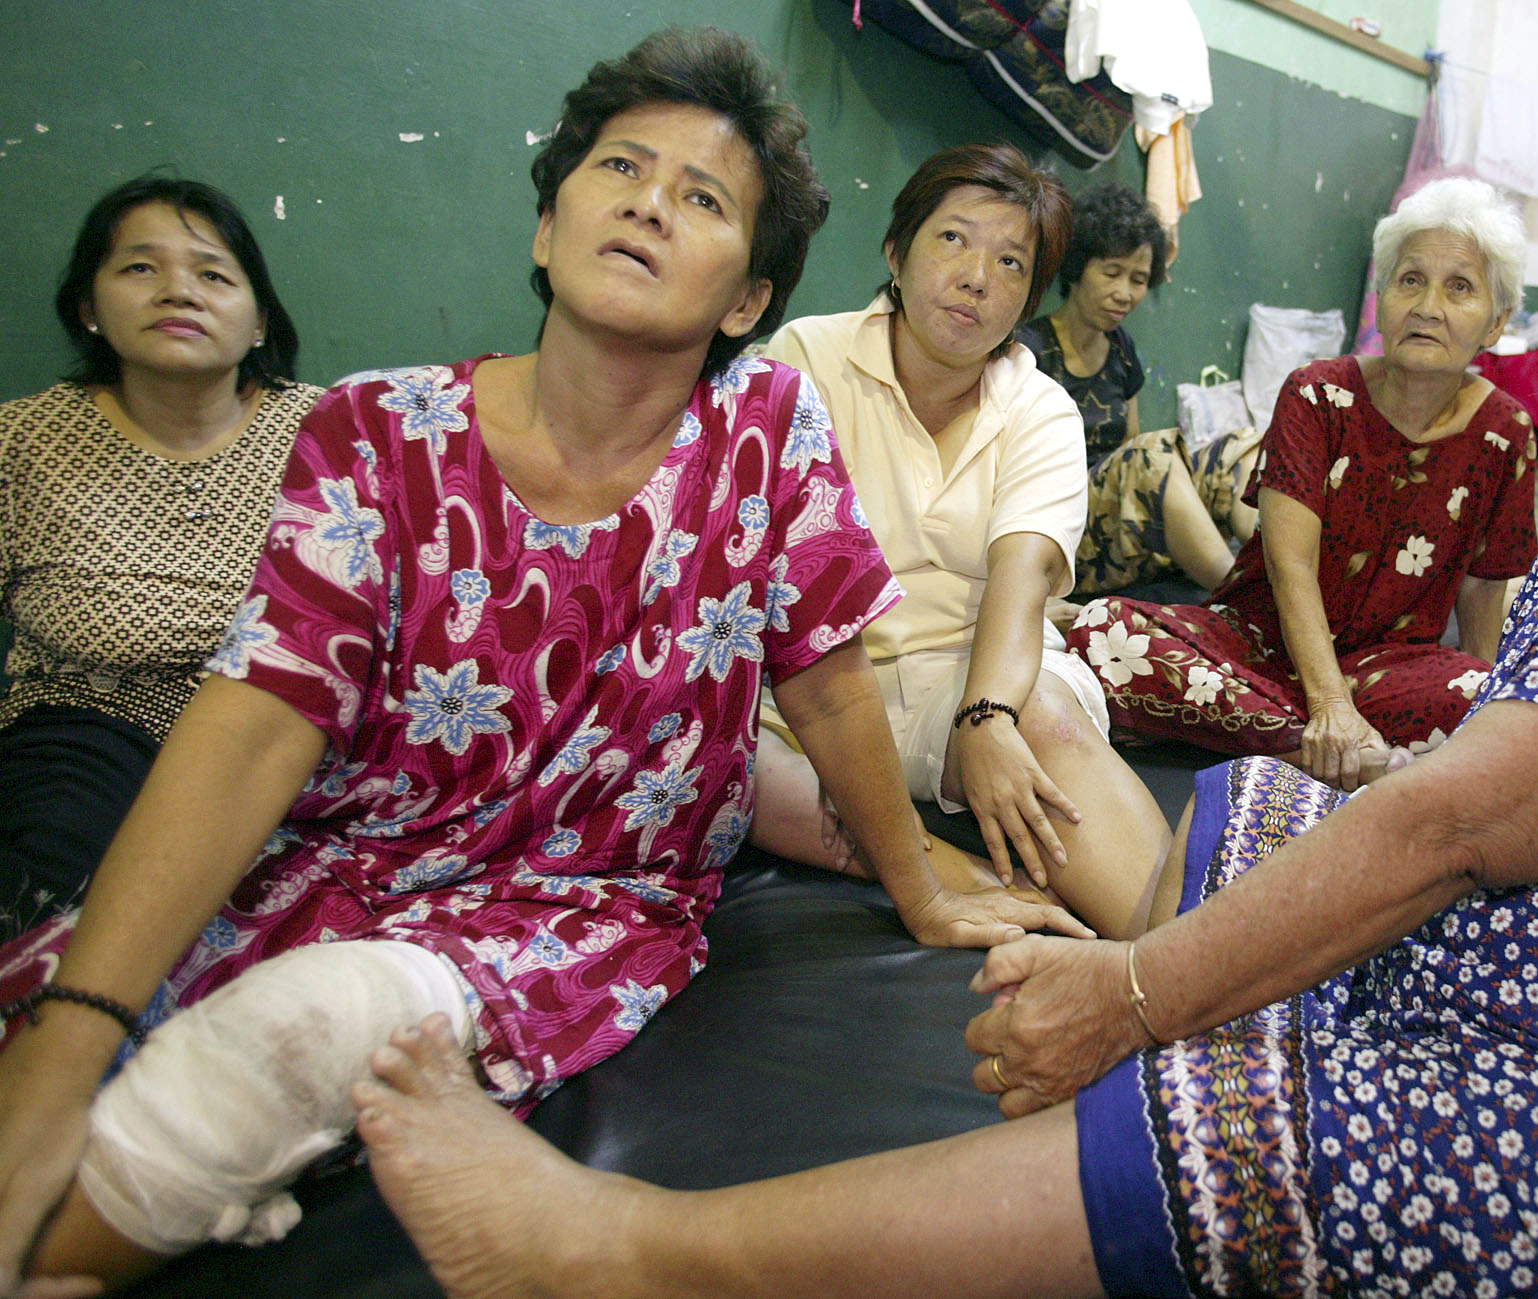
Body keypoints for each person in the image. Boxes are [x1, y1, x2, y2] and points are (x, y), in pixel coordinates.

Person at [344, 210, 1538, 1298]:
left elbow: (1462, 826)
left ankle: (617, 1250)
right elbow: (1450, 749)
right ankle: (1141, 932)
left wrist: (1133, 997)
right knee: (1264, 800)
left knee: (1242, 1108)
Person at [0, 28, 1083, 1297]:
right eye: (620, 167)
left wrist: (916, 886)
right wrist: (73, 1035)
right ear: (545, 228)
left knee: (306, 1036)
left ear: (745, 300)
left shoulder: (764, 434)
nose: (646, 201)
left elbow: (826, 679)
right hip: (339, 855)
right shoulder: (374, 433)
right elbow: (255, 718)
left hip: (583, 896)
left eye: (702, 197)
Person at [747, 145, 1175, 943]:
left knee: (1040, 716)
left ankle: (1194, 964)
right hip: (821, 691)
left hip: (970, 669)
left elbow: (1021, 581)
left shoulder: (1040, 409)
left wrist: (986, 717)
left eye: (1011, 261)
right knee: (725, 766)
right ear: (895, 252)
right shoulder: (805, 361)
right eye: (952, 240)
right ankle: (934, 861)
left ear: (1029, 296)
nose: (977, 276)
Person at [1067, 177, 1538, 790]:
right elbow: (1290, 566)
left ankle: (1259, 735)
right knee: (1107, 631)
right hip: (1254, 642)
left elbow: (1483, 589)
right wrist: (1328, 706)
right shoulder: (1316, 394)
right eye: (1410, 280)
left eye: (1460, 288)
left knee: (1491, 702)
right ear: (1383, 297)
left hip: (1391, 667)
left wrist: (1479, 714)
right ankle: (1330, 752)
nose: (1428, 306)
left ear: (1496, 322)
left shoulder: (1506, 431)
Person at [0, 177, 323, 940]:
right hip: (92, 731)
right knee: (49, 898)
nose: (179, 291)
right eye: (140, 268)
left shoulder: (330, 434)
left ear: (257, 324)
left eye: (213, 273)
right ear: (88, 306)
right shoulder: (22, 444)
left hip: (284, 746)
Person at [1014, 183, 1250, 593]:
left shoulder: (1122, 350)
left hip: (1123, 517)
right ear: (1078, 268)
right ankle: (1240, 597)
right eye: (1111, 273)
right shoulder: (1028, 351)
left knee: (1242, 447)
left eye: (1139, 279)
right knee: (1149, 456)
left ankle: (1284, 579)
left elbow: (1130, 443)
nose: (1124, 294)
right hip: (1065, 531)